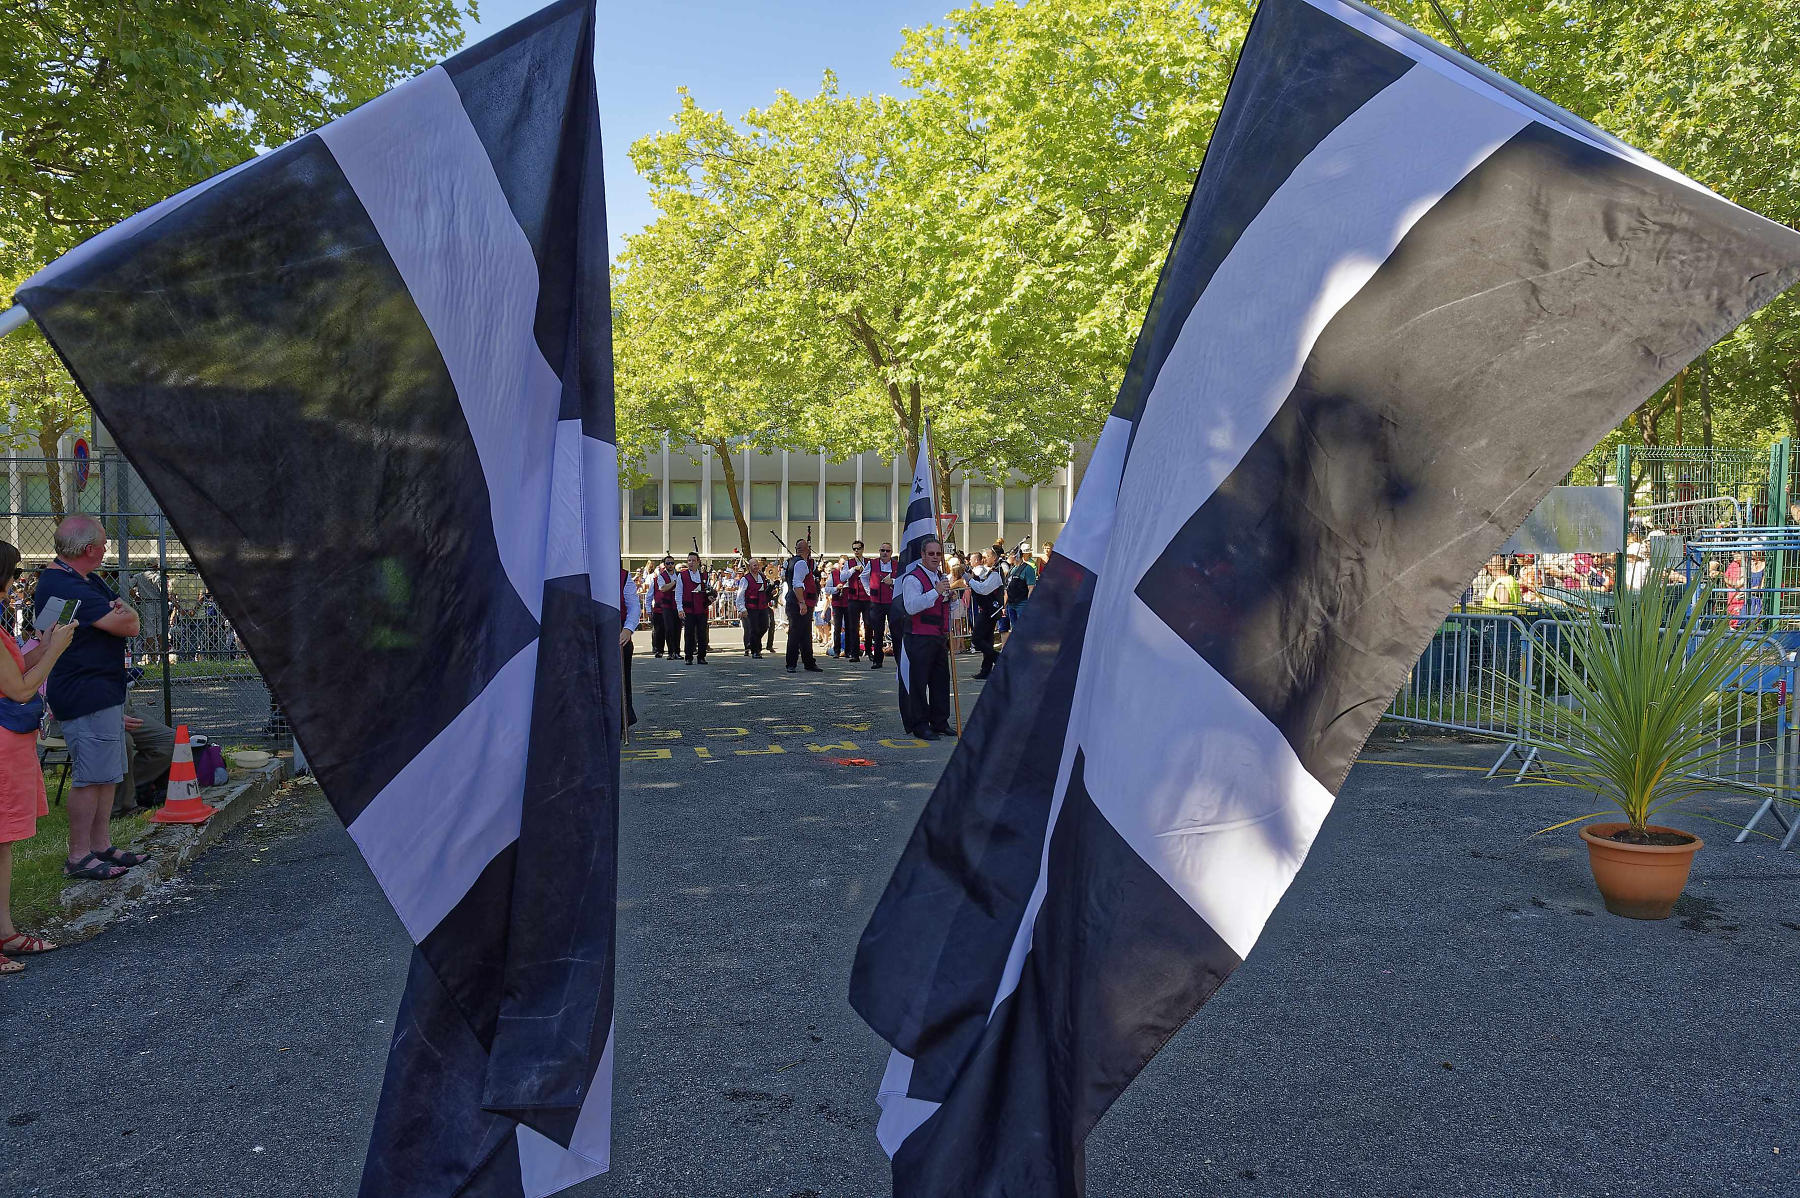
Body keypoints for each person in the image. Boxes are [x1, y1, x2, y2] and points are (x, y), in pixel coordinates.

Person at [33, 515, 149, 882]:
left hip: (102, 689)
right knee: (91, 776)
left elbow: (128, 618)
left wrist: (125, 613)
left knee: (107, 773)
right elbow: (128, 623)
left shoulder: (87, 580)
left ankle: (100, 844)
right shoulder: (64, 585)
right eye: (102, 543)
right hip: (85, 692)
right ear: (88, 549)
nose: (106, 549)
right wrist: (124, 614)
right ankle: (78, 855)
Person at [0, 540, 77, 975]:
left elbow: (14, 674)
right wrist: (55, 650)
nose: (16, 585)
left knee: (3, 843)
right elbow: (22, 689)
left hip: (10, 744)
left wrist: (39, 645)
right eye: (12, 575)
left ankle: (6, 931)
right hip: (3, 744)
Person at [898, 537, 956, 740]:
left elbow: (944, 606)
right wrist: (936, 592)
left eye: (938, 554)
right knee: (919, 682)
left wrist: (950, 599)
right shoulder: (913, 579)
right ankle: (920, 724)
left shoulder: (940, 576)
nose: (935, 557)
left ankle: (940, 721)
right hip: (919, 637)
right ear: (922, 555)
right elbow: (911, 606)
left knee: (940, 681)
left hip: (938, 637)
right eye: (931, 554)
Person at [966, 549, 1007, 679]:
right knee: (987, 641)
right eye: (983, 557)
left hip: (990, 611)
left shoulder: (995, 575)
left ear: (994, 558)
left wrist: (969, 580)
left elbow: (983, 590)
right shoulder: (987, 572)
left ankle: (999, 659)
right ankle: (986, 670)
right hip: (986, 610)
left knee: (977, 640)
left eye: (986, 556)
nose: (983, 559)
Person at [783, 538, 822, 672]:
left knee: (805, 634)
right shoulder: (801, 564)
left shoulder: (791, 562)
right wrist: (802, 603)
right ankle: (791, 663)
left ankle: (809, 662)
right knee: (796, 633)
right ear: (808, 550)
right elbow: (797, 584)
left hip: (798, 602)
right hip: (798, 602)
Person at [865, 541, 898, 669]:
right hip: (876, 603)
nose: (884, 553)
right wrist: (869, 591)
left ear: (891, 553)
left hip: (891, 602)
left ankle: (899, 660)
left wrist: (893, 581)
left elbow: (902, 579)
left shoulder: (896, 565)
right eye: (882, 550)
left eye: (887, 551)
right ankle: (877, 660)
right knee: (877, 633)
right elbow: (863, 577)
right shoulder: (872, 563)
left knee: (895, 631)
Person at [674, 552, 710, 664]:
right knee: (689, 634)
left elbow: (708, 591)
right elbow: (678, 593)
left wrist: (711, 597)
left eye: (693, 560)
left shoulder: (704, 575)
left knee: (702, 634)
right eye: (689, 560)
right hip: (688, 609)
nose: (691, 563)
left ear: (698, 562)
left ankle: (701, 657)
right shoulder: (682, 575)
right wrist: (680, 608)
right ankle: (688, 657)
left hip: (701, 609)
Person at [736, 557, 773, 659]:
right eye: (754, 565)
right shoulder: (745, 579)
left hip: (763, 606)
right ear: (750, 566)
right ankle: (756, 651)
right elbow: (740, 594)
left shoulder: (762, 577)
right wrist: (742, 608)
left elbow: (765, 592)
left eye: (757, 565)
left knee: (765, 626)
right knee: (754, 629)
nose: (756, 567)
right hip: (751, 607)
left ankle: (752, 643)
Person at [842, 540, 872, 663]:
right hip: (853, 598)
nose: (856, 551)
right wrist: (853, 569)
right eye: (854, 549)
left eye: (858, 548)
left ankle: (869, 651)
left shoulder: (869, 562)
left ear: (863, 549)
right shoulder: (849, 563)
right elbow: (842, 577)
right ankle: (854, 653)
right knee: (853, 626)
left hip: (867, 598)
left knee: (868, 625)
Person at [619, 564, 640, 728]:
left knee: (622, 679)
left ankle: (623, 716)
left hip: (620, 634)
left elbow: (633, 605)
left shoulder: (624, 576)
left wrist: (628, 629)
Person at [1005, 545, 1037, 633]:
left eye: (1010, 555)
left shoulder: (1028, 569)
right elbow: (1008, 588)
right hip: (1011, 604)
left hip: (1022, 604)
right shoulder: (1012, 569)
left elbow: (1031, 587)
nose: (1008, 557)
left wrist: (1029, 604)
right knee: (1014, 629)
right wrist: (1004, 605)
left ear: (1016, 556)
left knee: (1024, 629)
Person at [825, 555, 853, 657]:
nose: (843, 566)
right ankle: (836, 650)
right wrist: (836, 588)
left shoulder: (850, 574)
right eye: (842, 564)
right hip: (837, 604)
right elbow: (827, 589)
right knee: (837, 627)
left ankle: (848, 651)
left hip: (848, 603)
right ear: (839, 564)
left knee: (849, 627)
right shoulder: (834, 574)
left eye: (845, 564)